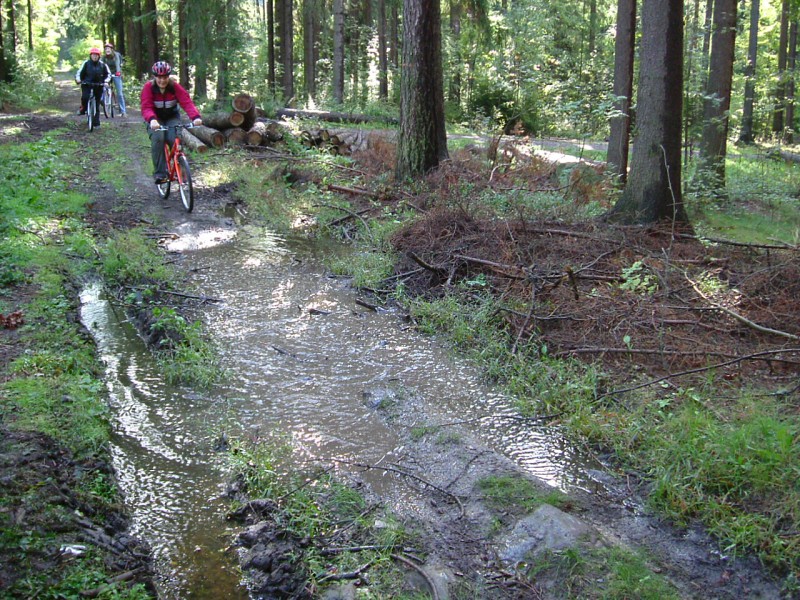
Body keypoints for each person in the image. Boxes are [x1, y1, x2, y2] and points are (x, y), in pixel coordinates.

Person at [140, 61, 203, 184]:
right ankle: (160, 173)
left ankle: (182, 171)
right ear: (154, 77)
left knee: (174, 139)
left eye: (165, 77)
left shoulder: (174, 87)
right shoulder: (149, 88)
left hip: (171, 117)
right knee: (158, 138)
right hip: (155, 119)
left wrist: (195, 117)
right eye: (159, 77)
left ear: (168, 77)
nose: (162, 80)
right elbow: (146, 106)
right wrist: (152, 120)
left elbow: (187, 102)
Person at [75, 47, 111, 128]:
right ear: (90, 55)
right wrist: (78, 79)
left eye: (96, 55)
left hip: (99, 85)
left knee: (97, 103)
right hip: (86, 84)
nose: (95, 56)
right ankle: (83, 109)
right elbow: (79, 73)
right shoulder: (86, 63)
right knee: (85, 97)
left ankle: (96, 122)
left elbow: (108, 74)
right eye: (93, 55)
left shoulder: (103, 65)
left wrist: (106, 81)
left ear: (99, 56)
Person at [101, 42, 127, 116]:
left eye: (108, 48)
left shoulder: (116, 55)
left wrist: (118, 72)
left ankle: (123, 111)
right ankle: (105, 101)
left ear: (112, 49)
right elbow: (102, 66)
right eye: (106, 49)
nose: (107, 50)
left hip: (116, 73)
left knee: (119, 93)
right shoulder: (104, 57)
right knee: (103, 87)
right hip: (108, 74)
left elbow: (117, 64)